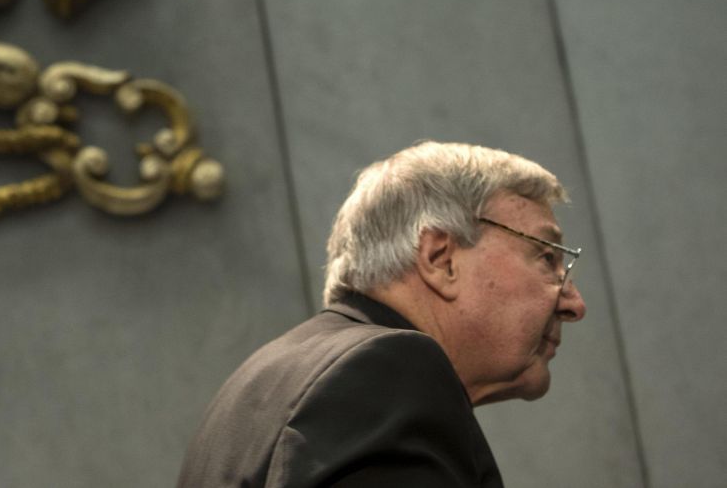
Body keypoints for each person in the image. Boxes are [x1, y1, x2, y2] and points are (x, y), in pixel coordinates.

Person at [177, 141, 587, 487]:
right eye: (547, 257)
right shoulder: (387, 369)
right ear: (440, 258)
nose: (574, 304)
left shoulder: (262, 378)